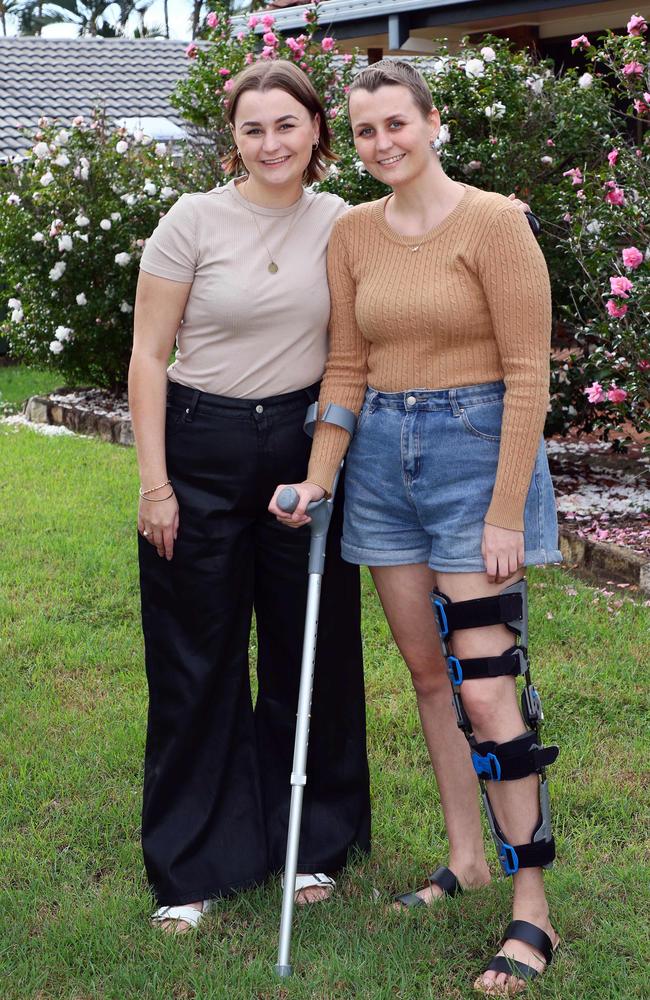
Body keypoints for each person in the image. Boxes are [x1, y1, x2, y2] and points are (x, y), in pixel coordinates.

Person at [270, 59, 562, 996]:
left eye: (397, 123)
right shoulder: (353, 234)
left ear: (434, 123)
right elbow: (346, 368)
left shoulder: (494, 223)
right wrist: (318, 478)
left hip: (476, 457)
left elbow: (529, 373)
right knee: (429, 676)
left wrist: (505, 508)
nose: (382, 143)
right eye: (363, 131)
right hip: (381, 468)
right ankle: (465, 859)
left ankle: (532, 910)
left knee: (487, 692)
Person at [128, 59, 372, 933]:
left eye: (285, 124)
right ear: (232, 139)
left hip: (304, 451)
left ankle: (313, 839)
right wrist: (156, 485)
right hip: (199, 446)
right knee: (197, 655)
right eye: (251, 128)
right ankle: (192, 859)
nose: (270, 143)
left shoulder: (346, 224)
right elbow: (148, 357)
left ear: (316, 131)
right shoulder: (191, 221)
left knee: (314, 652)